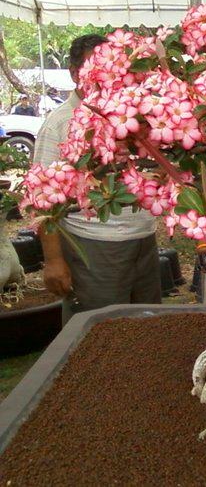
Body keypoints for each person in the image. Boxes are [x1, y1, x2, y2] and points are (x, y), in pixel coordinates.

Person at [34, 34, 161, 325]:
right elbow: (42, 200)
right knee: (98, 331)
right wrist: (54, 259)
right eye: (94, 64)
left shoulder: (132, 113)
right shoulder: (61, 122)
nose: (103, 72)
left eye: (109, 64)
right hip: (94, 244)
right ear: (73, 71)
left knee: (148, 325)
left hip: (143, 237)